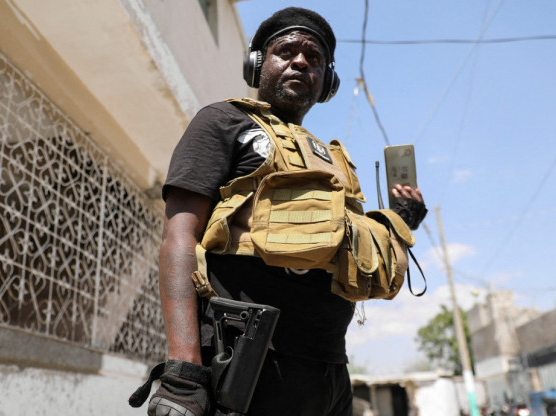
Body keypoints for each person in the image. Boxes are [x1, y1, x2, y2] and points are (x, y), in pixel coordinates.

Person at [147, 7, 426, 416]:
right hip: (251, 364)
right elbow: (179, 237)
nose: (300, 62)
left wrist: (402, 218)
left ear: (327, 81)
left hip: (331, 370)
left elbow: (352, 255)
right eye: (286, 51)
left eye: (314, 58)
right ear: (257, 64)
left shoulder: (333, 161)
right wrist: (184, 367)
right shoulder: (224, 122)